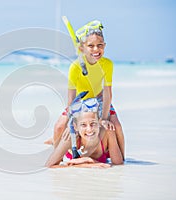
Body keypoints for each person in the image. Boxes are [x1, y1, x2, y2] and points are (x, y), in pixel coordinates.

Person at [47, 19, 125, 160]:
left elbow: (107, 92)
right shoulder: (75, 67)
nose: (96, 49)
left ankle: (123, 159)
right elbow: (71, 96)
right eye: (91, 46)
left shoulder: (107, 64)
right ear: (82, 48)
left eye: (100, 45)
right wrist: (71, 120)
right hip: (80, 99)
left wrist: (104, 118)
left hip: (100, 98)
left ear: (105, 46)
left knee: (117, 126)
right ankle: (58, 155)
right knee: (59, 126)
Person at [45, 97, 124, 168]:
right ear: (75, 126)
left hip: (102, 148)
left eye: (93, 123)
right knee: (60, 134)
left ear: (100, 122)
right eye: (83, 125)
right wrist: (89, 162)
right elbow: (49, 165)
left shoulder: (108, 132)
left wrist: (84, 161)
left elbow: (118, 164)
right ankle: (53, 141)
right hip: (71, 149)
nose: (89, 129)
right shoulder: (71, 137)